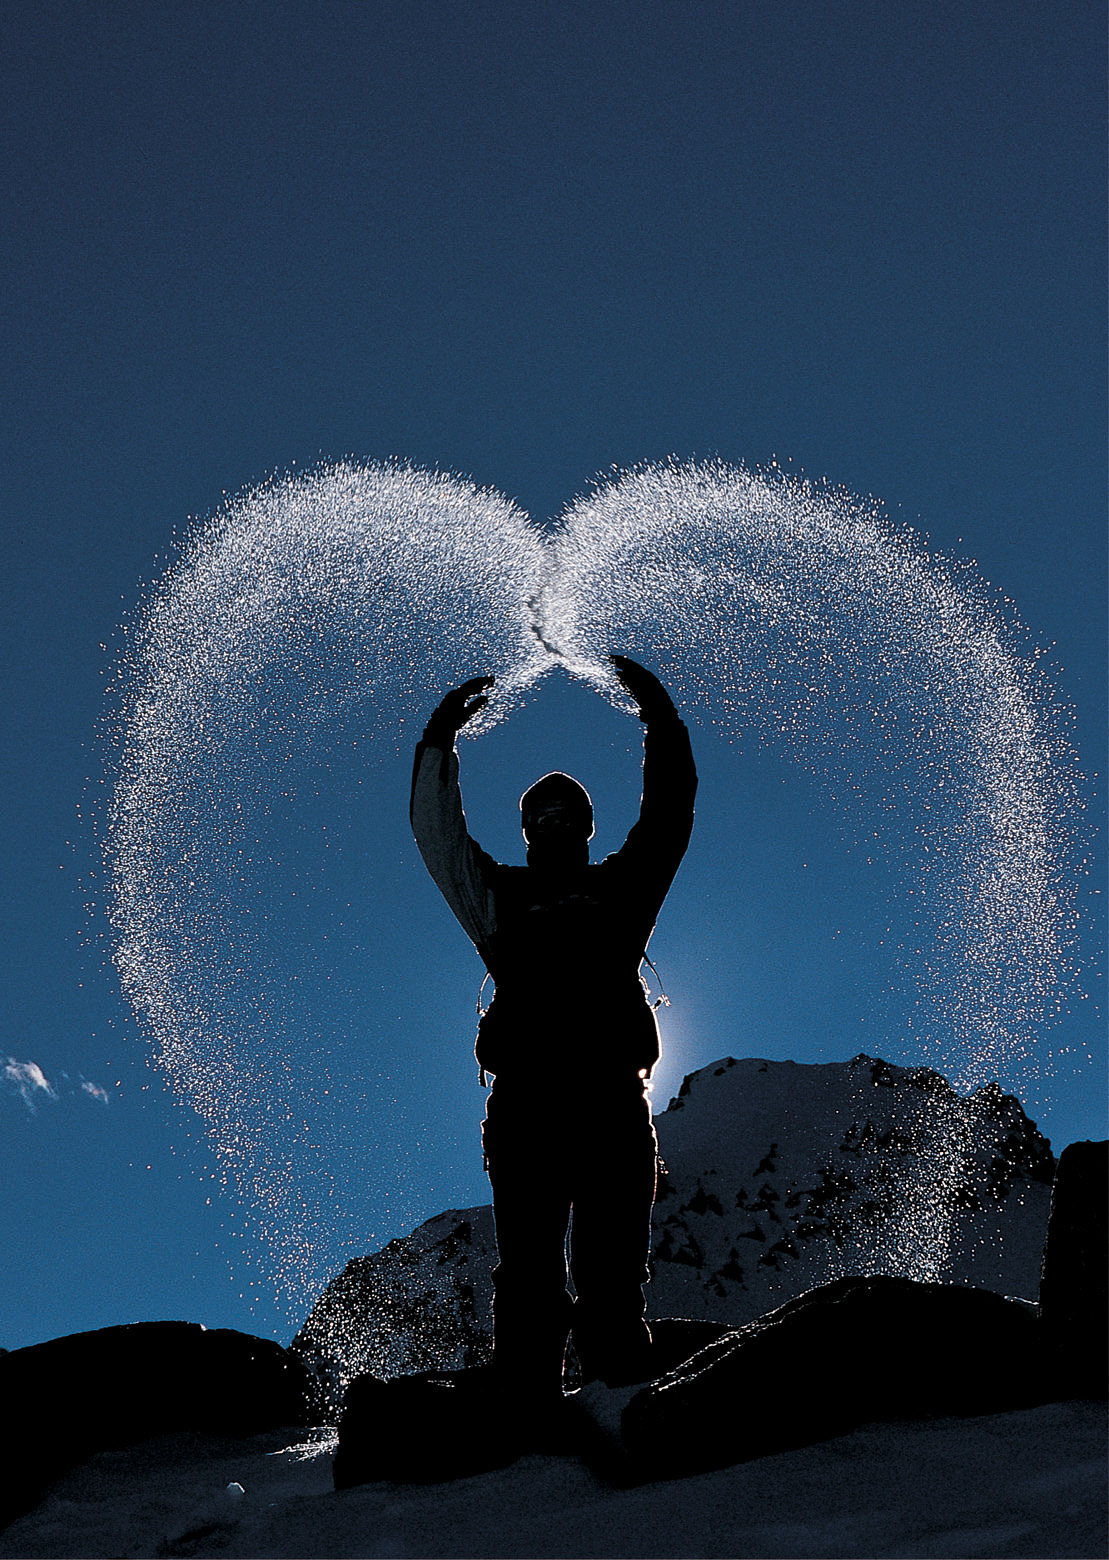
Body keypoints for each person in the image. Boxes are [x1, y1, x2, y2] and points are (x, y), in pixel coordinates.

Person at [410, 656, 697, 1400]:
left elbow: (670, 815)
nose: (555, 824)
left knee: (611, 1272)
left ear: (587, 828)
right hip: (528, 1105)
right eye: (543, 816)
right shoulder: (497, 898)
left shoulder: (621, 891)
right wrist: (440, 742)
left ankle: (618, 1405)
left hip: (612, 1101)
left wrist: (657, 720)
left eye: (568, 815)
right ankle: (524, 1412)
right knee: (530, 1273)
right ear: (529, 829)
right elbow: (438, 839)